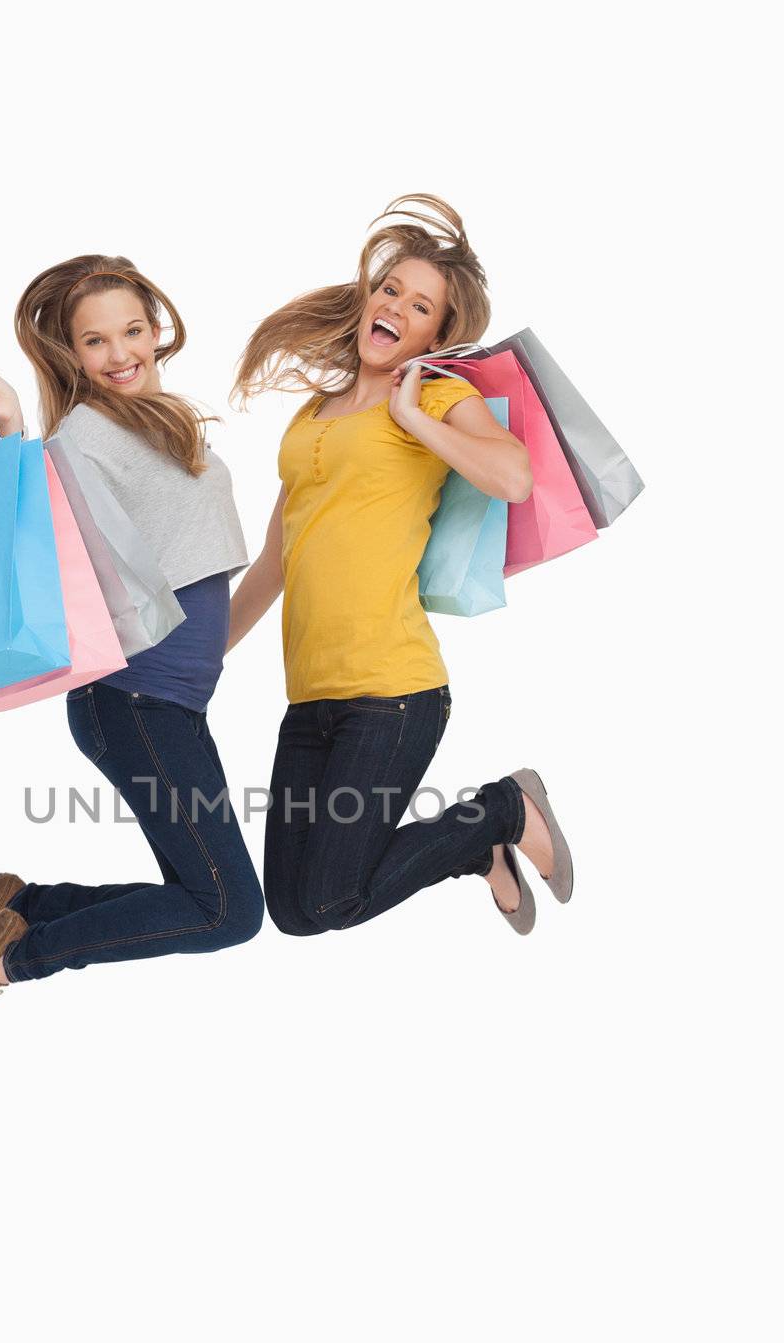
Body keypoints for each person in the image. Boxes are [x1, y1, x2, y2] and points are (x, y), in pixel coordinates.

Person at [227, 194, 574, 939]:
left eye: (420, 305)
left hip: (392, 692)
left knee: (329, 901)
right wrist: (198, 661)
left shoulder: (439, 396)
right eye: (389, 289)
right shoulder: (310, 417)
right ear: (368, 300)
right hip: (309, 698)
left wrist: (414, 417)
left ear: (436, 334)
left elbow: (511, 478)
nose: (395, 307)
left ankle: (503, 811)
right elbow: (273, 563)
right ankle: (481, 849)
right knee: (292, 911)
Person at [0, 256, 263, 1008]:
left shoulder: (156, 415)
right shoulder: (79, 438)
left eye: (133, 331)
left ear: (155, 328)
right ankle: (15, 959)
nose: (121, 355)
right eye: (95, 342)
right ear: (68, 354)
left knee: (202, 894)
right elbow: (42, 537)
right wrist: (15, 430)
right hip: (133, 705)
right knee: (226, 912)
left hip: (169, 706)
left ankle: (28, 908)